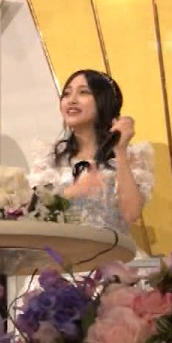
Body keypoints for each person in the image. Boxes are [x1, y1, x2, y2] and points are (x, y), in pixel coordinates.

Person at [26, 69, 153, 242]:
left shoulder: (131, 156)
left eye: (83, 92)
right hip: (61, 254)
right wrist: (73, 192)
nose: (72, 100)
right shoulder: (49, 157)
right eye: (67, 94)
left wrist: (120, 151)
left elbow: (131, 214)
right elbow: (33, 215)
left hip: (112, 253)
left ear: (103, 101)